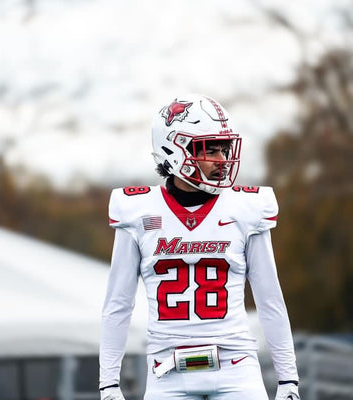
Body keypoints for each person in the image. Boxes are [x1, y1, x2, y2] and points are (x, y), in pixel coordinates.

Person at [99, 94, 300, 400]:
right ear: (174, 150)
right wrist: (109, 384)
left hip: (236, 366)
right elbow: (118, 304)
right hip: (166, 370)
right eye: (210, 149)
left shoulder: (244, 208)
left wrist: (288, 379)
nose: (222, 159)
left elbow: (270, 298)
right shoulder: (139, 210)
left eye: (224, 149)